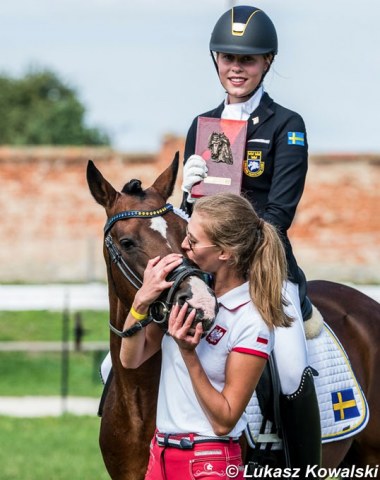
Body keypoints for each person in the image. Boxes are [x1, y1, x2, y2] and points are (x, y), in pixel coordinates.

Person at [180, 5, 321, 474]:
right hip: (205, 268)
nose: (236, 68)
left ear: (267, 62)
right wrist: (186, 197)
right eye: (228, 58)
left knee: (289, 364)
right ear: (215, 60)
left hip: (265, 268)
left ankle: (302, 465)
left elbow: (278, 215)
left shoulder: (287, 125)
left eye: (249, 59)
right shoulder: (202, 126)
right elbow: (192, 221)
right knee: (127, 349)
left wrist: (229, 242)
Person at [120, 193, 291, 480]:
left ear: (224, 252)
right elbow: (130, 358)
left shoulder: (251, 321)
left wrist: (189, 354)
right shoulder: (185, 292)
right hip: (159, 456)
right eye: (187, 235)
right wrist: (141, 302)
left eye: (194, 241)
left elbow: (224, 420)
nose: (183, 245)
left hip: (208, 462)